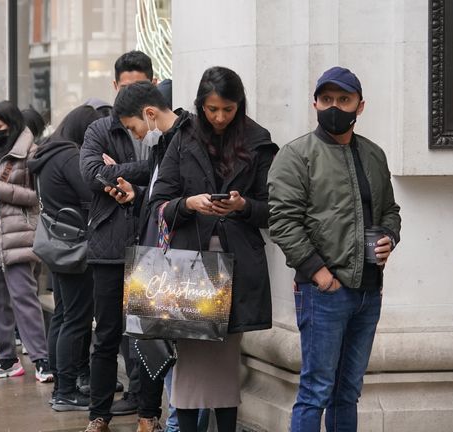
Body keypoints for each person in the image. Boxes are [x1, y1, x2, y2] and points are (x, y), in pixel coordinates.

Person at [267, 66, 401, 432]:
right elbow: (282, 222)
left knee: (348, 392)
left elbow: (389, 210)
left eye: (344, 100)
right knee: (315, 391)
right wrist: (320, 274)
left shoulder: (374, 155)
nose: (334, 107)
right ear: (315, 103)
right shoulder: (296, 155)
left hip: (368, 290)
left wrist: (390, 235)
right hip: (323, 292)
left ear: (360, 106)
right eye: (327, 99)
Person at [149, 66, 278, 432]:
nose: (220, 117)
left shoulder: (258, 140)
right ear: (200, 106)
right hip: (188, 269)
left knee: (225, 363)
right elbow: (158, 202)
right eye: (212, 109)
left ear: (240, 105)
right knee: (189, 366)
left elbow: (273, 209)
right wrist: (189, 203)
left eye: (228, 109)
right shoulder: (183, 137)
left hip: (236, 267)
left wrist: (242, 206)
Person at [78, 50, 157, 432]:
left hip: (151, 243)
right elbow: (92, 173)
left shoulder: (161, 125)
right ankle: (99, 415)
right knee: (107, 335)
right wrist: (123, 173)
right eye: (125, 88)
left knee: (147, 336)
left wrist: (120, 171)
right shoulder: (99, 128)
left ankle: (148, 413)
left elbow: (165, 173)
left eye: (139, 87)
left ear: (153, 85)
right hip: (109, 245)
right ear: (114, 87)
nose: (131, 96)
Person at [110, 80, 195, 432]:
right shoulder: (162, 144)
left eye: (134, 128)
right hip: (158, 262)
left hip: (177, 264)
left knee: (178, 352)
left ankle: (176, 422)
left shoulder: (182, 140)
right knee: (160, 347)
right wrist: (140, 195)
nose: (136, 135)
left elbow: (182, 200)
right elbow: (163, 196)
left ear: (149, 113)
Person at [28, 104, 107, 410]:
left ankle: (62, 385)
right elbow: (91, 194)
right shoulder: (70, 156)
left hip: (58, 245)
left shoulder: (49, 154)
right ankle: (66, 390)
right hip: (75, 247)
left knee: (62, 316)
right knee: (75, 319)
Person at [0, 101, 52, 381]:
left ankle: (41, 359)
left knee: (23, 296)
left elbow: (35, 198)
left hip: (17, 234)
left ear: (12, 125)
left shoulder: (31, 153)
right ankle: (6, 358)